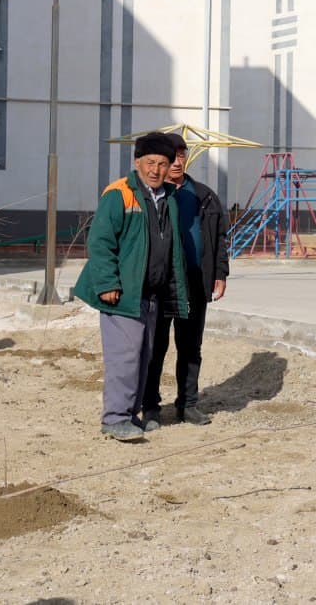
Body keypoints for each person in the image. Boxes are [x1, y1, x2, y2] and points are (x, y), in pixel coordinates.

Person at [72, 132, 189, 441]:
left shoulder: (168, 199)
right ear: (137, 162)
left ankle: (130, 414)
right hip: (122, 294)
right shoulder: (119, 194)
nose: (156, 170)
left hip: (149, 294)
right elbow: (100, 242)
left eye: (163, 164)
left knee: (144, 357)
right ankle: (114, 419)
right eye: (150, 162)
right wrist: (108, 283)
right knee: (124, 357)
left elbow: (170, 246)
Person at [142, 133, 230, 429]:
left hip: (194, 282)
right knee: (156, 347)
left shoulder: (204, 195)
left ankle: (188, 404)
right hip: (161, 283)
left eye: (182, 155)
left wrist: (220, 273)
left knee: (191, 347)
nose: (178, 162)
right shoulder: (154, 195)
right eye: (172, 157)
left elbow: (220, 238)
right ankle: (151, 407)